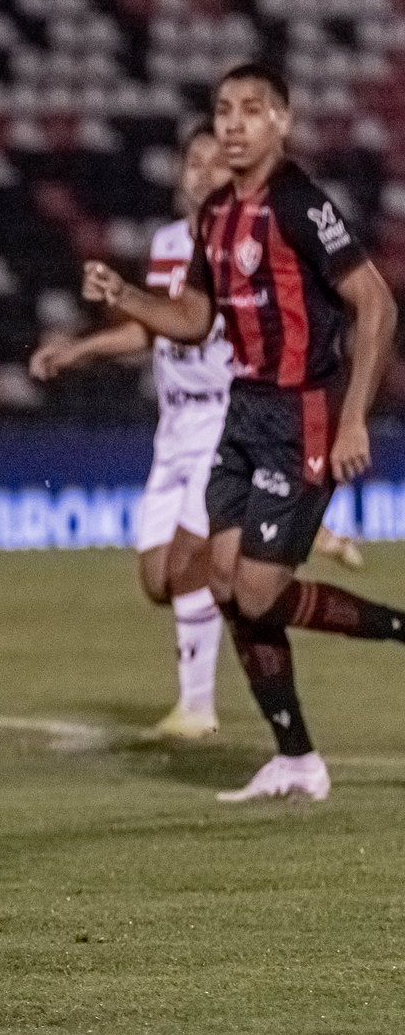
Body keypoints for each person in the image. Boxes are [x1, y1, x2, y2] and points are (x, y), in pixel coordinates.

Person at [80, 61, 404, 803]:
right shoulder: (217, 214)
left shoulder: (298, 203)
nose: (232, 123)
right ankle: (296, 760)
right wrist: (126, 293)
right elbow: (193, 318)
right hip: (244, 411)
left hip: (304, 412)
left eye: (251, 110)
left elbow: (376, 304)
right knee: (225, 582)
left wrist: (355, 414)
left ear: (281, 123)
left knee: (256, 591)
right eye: (223, 109)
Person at [32, 124, 363, 740]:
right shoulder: (166, 243)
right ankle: (305, 532)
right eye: (194, 163)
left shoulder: (251, 239)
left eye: (217, 163)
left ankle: (197, 706)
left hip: (225, 421)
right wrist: (80, 349)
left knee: (193, 565)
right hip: (174, 429)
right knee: (158, 579)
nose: (204, 174)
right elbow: (161, 326)